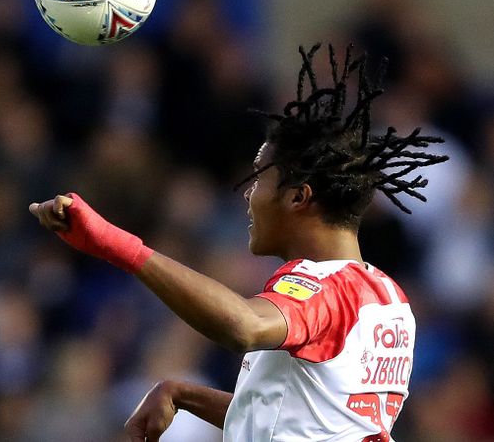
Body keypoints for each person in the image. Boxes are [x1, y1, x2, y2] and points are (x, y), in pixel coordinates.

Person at [29, 44, 449, 442]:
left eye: (258, 177)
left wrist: (114, 244)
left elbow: (244, 326)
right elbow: (293, 419)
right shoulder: (389, 298)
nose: (248, 195)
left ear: (298, 196)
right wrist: (185, 394)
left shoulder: (321, 286)